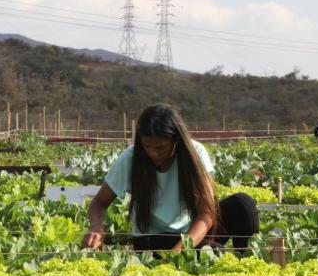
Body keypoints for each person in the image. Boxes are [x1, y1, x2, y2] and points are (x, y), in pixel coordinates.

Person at [83, 103, 259, 252]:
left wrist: (181, 250)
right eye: (147, 146)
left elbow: (206, 213)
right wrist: (96, 227)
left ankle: (245, 262)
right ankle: (217, 253)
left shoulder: (194, 153)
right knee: (215, 253)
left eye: (160, 147)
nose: (153, 153)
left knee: (243, 204)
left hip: (192, 232)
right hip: (154, 239)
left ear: (176, 141)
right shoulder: (130, 159)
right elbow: (98, 203)